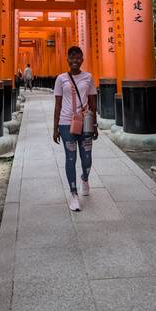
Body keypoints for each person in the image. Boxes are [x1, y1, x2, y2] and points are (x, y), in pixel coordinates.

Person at [53, 46, 98, 212]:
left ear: (82, 60)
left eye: (78, 58)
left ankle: (85, 177)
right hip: (66, 123)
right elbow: (57, 105)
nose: (75, 61)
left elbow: (93, 102)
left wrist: (94, 124)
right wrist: (55, 127)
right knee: (70, 158)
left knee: (87, 158)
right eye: (72, 58)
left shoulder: (88, 78)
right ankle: (73, 193)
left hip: (85, 122)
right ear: (67, 59)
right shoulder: (61, 79)